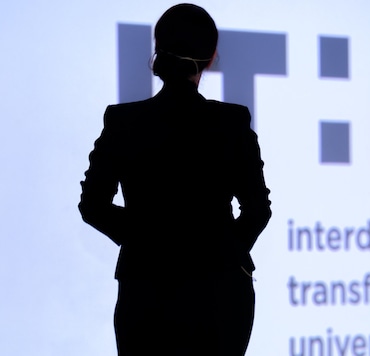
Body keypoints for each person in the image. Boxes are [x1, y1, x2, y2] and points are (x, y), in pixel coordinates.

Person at [78, 4, 271, 355]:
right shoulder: (232, 123)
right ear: (211, 58)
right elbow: (258, 211)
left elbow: (92, 205)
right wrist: (219, 248)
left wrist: (148, 237)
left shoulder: (123, 121)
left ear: (158, 51)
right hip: (222, 295)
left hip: (146, 290)